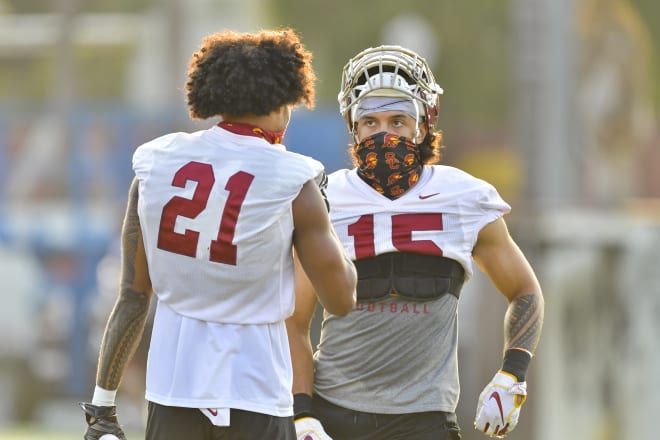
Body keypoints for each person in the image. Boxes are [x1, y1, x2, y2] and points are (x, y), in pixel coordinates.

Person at [79, 28, 357, 440]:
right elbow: (342, 298)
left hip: (173, 388)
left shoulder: (156, 161)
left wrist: (102, 405)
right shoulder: (295, 178)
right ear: (283, 101)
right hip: (256, 388)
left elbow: (134, 295)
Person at [287, 45, 545, 440]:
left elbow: (525, 291)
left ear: (422, 125)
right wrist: (301, 414)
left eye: (397, 121)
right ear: (353, 127)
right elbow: (295, 320)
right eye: (370, 122)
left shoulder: (464, 196)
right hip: (336, 415)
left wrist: (512, 374)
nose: (383, 134)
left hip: (426, 419)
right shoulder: (324, 199)